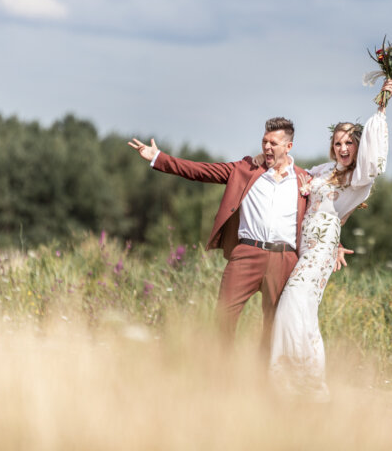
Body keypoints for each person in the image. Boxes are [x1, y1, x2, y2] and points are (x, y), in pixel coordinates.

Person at [128, 118, 312, 353]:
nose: (267, 147)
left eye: (273, 143)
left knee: (275, 326)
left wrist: (335, 244)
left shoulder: (304, 180)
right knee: (224, 316)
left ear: (288, 147)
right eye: (264, 141)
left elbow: (324, 215)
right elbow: (201, 171)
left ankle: (263, 381)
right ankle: (221, 375)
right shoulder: (245, 170)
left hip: (284, 259)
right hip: (246, 254)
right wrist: (158, 157)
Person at [268, 79, 392, 401]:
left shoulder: (359, 179)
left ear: (359, 146)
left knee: (292, 305)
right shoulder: (325, 170)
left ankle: (291, 379)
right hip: (304, 246)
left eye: (349, 143)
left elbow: (372, 157)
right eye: (338, 143)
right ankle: (307, 385)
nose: (343, 148)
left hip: (319, 253)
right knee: (304, 312)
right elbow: (334, 211)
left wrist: (382, 105)